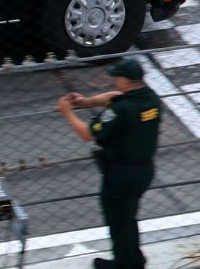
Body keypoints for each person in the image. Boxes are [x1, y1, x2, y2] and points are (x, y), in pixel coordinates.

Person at [56, 57, 162, 269]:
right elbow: (115, 97)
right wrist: (87, 102)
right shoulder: (151, 99)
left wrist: (67, 113)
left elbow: (88, 134)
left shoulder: (120, 111)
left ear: (126, 81)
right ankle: (134, 260)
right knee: (128, 218)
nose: (115, 81)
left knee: (118, 222)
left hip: (121, 175)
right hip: (144, 171)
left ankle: (124, 265)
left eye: (118, 77)